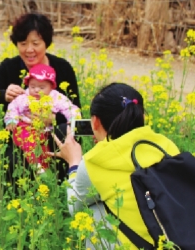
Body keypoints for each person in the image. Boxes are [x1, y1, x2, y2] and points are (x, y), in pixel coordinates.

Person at [47, 82, 180, 249]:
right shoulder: (165, 145)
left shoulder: (94, 162)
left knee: (92, 208)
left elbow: (74, 206)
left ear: (95, 122)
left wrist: (74, 163)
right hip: (175, 239)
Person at [0, 13, 81, 184]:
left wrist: (53, 119)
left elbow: (76, 110)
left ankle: (63, 186)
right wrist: (4, 94)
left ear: (46, 43)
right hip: (19, 137)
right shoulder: (9, 67)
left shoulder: (62, 68)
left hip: (52, 136)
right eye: (23, 44)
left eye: (35, 43)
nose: (29, 50)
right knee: (10, 160)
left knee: (64, 131)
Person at [4, 64, 81, 173]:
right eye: (32, 86)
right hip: (25, 127)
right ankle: (35, 164)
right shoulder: (23, 97)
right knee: (28, 143)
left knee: (45, 150)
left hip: (45, 130)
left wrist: (74, 119)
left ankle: (44, 170)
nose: (36, 90)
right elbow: (13, 108)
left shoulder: (56, 97)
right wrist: (11, 120)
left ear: (51, 87)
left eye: (41, 87)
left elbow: (70, 108)